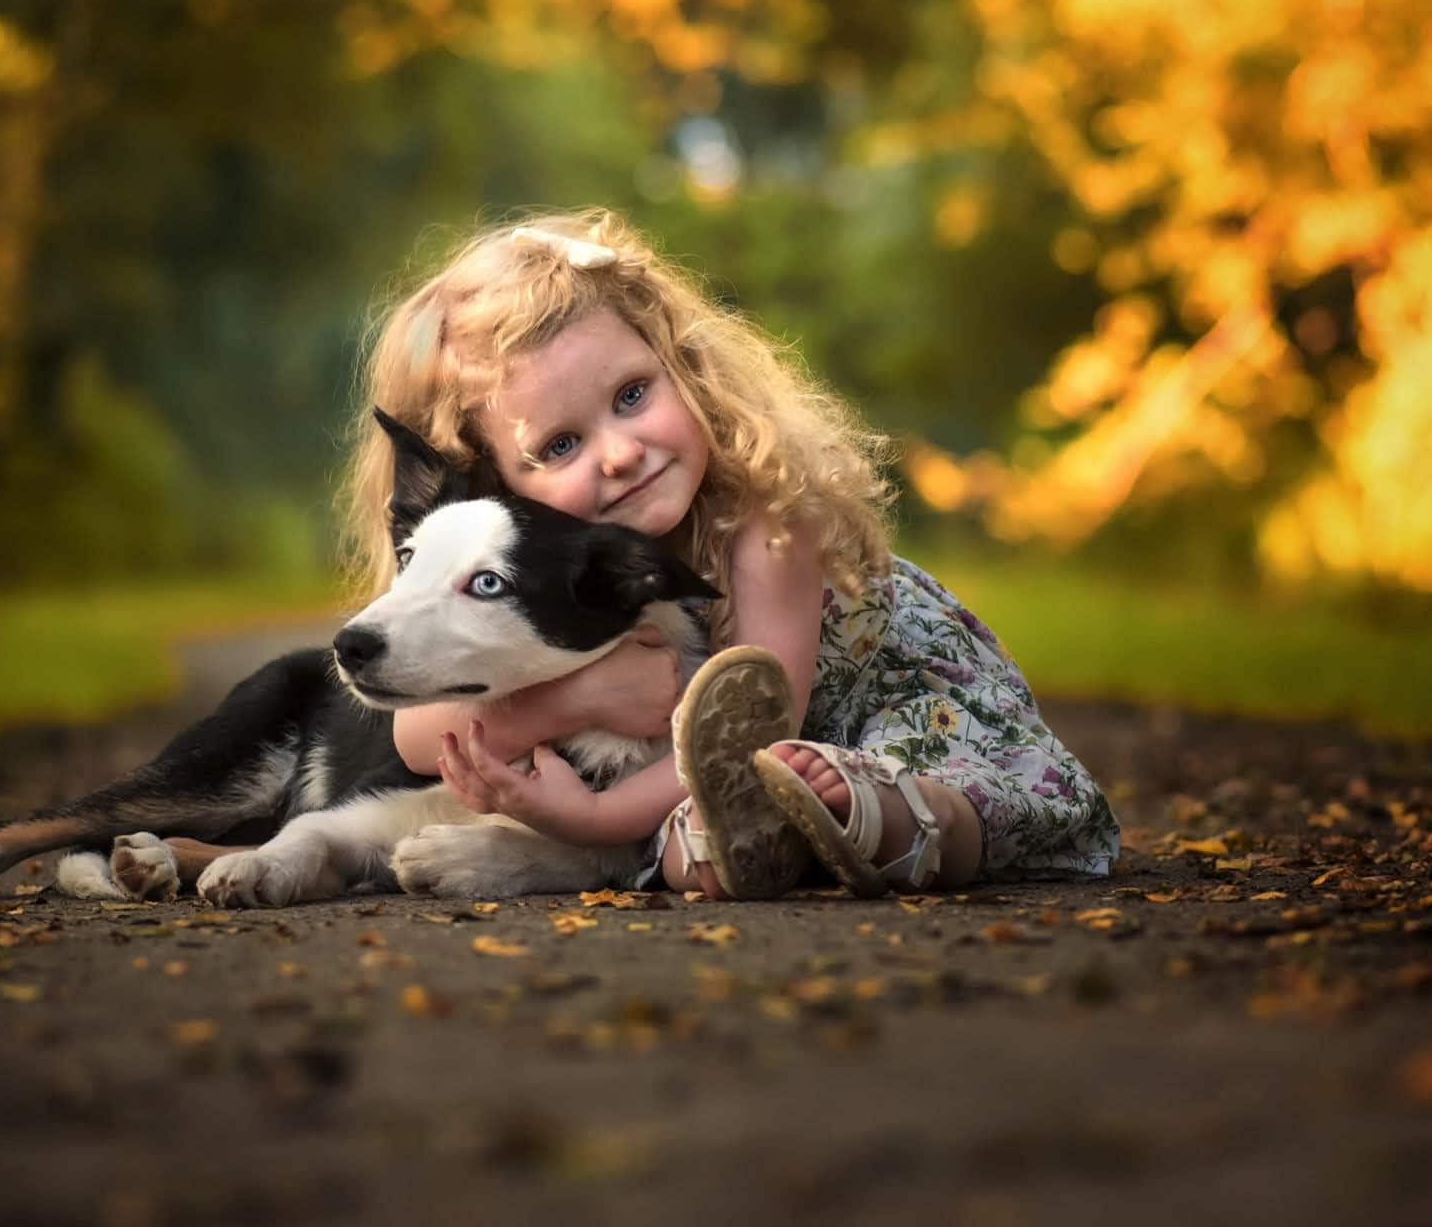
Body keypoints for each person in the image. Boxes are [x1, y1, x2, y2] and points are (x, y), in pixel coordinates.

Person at [334, 210, 1119, 897]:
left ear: (681, 363)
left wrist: (599, 816)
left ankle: (881, 821)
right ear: (494, 483)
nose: (619, 453)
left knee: (919, 795)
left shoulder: (766, 519)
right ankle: (761, 846)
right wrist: (581, 699)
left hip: (877, 721)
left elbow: (752, 731)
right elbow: (418, 736)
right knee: (689, 847)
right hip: (706, 781)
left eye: (633, 395)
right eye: (562, 443)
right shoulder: (529, 569)